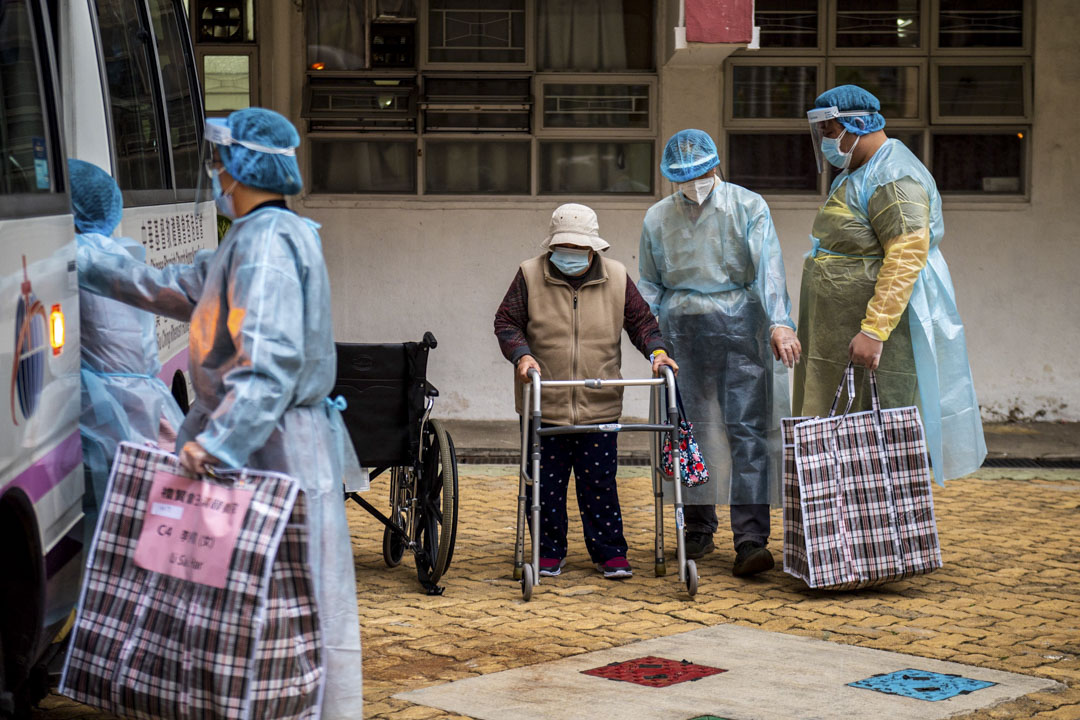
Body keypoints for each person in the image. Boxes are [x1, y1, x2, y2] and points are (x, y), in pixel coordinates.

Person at [76, 108, 364, 718]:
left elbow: (272, 361)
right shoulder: (258, 240)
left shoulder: (268, 247)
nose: (214, 174)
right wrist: (85, 256)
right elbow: (172, 288)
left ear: (241, 166)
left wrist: (220, 442)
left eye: (218, 161)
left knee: (288, 597)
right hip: (266, 438)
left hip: (275, 443)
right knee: (250, 598)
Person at [795, 85, 986, 481]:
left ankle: (877, 538)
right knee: (846, 439)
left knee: (876, 440)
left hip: (875, 335)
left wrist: (875, 328)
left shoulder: (894, 177)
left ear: (858, 123)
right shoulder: (861, 171)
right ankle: (847, 535)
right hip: (843, 330)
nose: (828, 141)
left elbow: (905, 256)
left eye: (831, 131)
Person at [638, 129, 800, 577]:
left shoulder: (749, 207)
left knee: (747, 430)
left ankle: (751, 538)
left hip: (742, 327)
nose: (695, 182)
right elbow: (649, 284)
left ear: (717, 165)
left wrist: (779, 322)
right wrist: (650, 339)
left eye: (701, 173)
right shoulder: (657, 218)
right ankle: (697, 526)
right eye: (684, 177)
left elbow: (769, 268)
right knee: (690, 431)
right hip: (680, 331)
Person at [494, 203, 679, 579]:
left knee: (600, 484)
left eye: (579, 250)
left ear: (594, 249)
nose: (572, 256)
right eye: (565, 248)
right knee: (544, 485)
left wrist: (658, 353)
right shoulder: (529, 274)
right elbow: (507, 322)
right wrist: (522, 357)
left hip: (599, 401)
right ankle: (547, 552)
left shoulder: (616, 276)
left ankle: (610, 553)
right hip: (544, 401)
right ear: (552, 246)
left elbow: (642, 323)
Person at [70, 158, 185, 537]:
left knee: (104, 517)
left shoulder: (80, 257)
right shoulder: (121, 251)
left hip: (103, 405)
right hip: (146, 400)